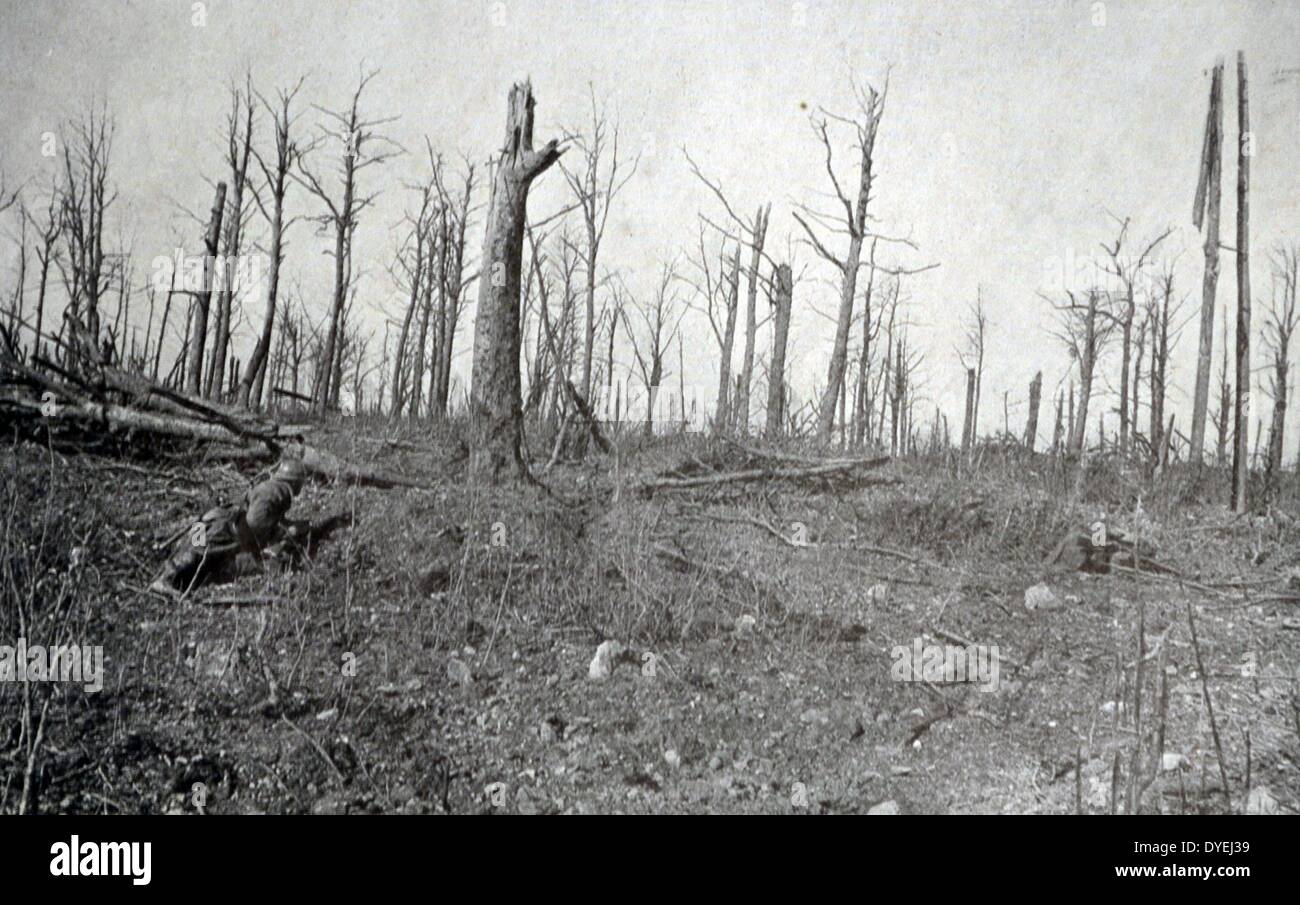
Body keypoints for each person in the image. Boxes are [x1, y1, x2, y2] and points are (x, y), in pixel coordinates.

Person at [150, 458, 309, 596]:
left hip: (211, 520)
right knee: (195, 551)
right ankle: (165, 580)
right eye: (300, 482)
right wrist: (280, 533)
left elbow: (266, 518)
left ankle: (171, 581)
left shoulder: (270, 487)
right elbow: (255, 522)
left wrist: (291, 526)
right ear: (294, 481)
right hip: (221, 525)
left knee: (200, 560)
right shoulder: (277, 490)